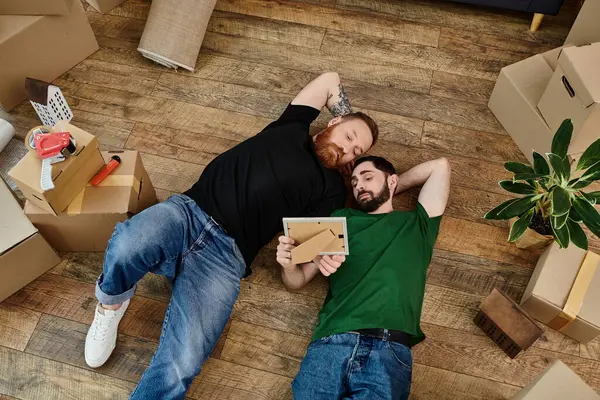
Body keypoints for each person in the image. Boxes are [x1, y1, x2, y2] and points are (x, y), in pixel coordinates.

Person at [83, 72, 379, 399]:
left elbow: (295, 278)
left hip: (225, 259)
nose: (349, 148)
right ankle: (111, 305)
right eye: (349, 135)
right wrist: (347, 114)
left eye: (356, 150)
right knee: (127, 244)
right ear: (331, 123)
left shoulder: (332, 192)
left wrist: (302, 257)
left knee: (184, 362)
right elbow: (328, 80)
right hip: (187, 212)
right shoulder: (291, 126)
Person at [276, 155, 451, 400]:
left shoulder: (418, 225)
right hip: (331, 342)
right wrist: (289, 264)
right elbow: (296, 282)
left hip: (389, 349)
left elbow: (440, 166)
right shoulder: (342, 220)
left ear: (391, 181)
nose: (359, 186)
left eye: (367, 178)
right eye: (355, 182)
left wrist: (389, 189)